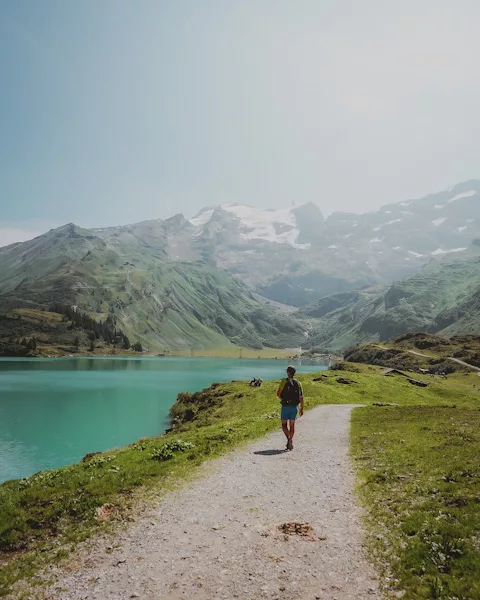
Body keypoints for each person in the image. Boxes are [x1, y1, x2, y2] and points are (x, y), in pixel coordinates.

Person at [277, 365, 304, 450]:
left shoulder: (284, 381)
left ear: (288, 372)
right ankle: (290, 439)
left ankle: (288, 439)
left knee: (284, 425)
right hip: (294, 407)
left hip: (285, 406)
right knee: (292, 425)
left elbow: (278, 394)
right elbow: (301, 397)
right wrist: (301, 408)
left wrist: (283, 399)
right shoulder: (298, 383)